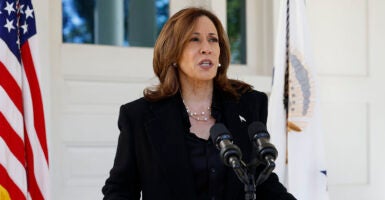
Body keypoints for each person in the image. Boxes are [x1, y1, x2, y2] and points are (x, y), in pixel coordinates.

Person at [102, 7, 296, 200]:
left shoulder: (249, 104)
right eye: (194, 39)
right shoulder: (139, 116)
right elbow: (120, 191)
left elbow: (262, 181)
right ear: (173, 52)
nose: (207, 48)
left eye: (213, 39)